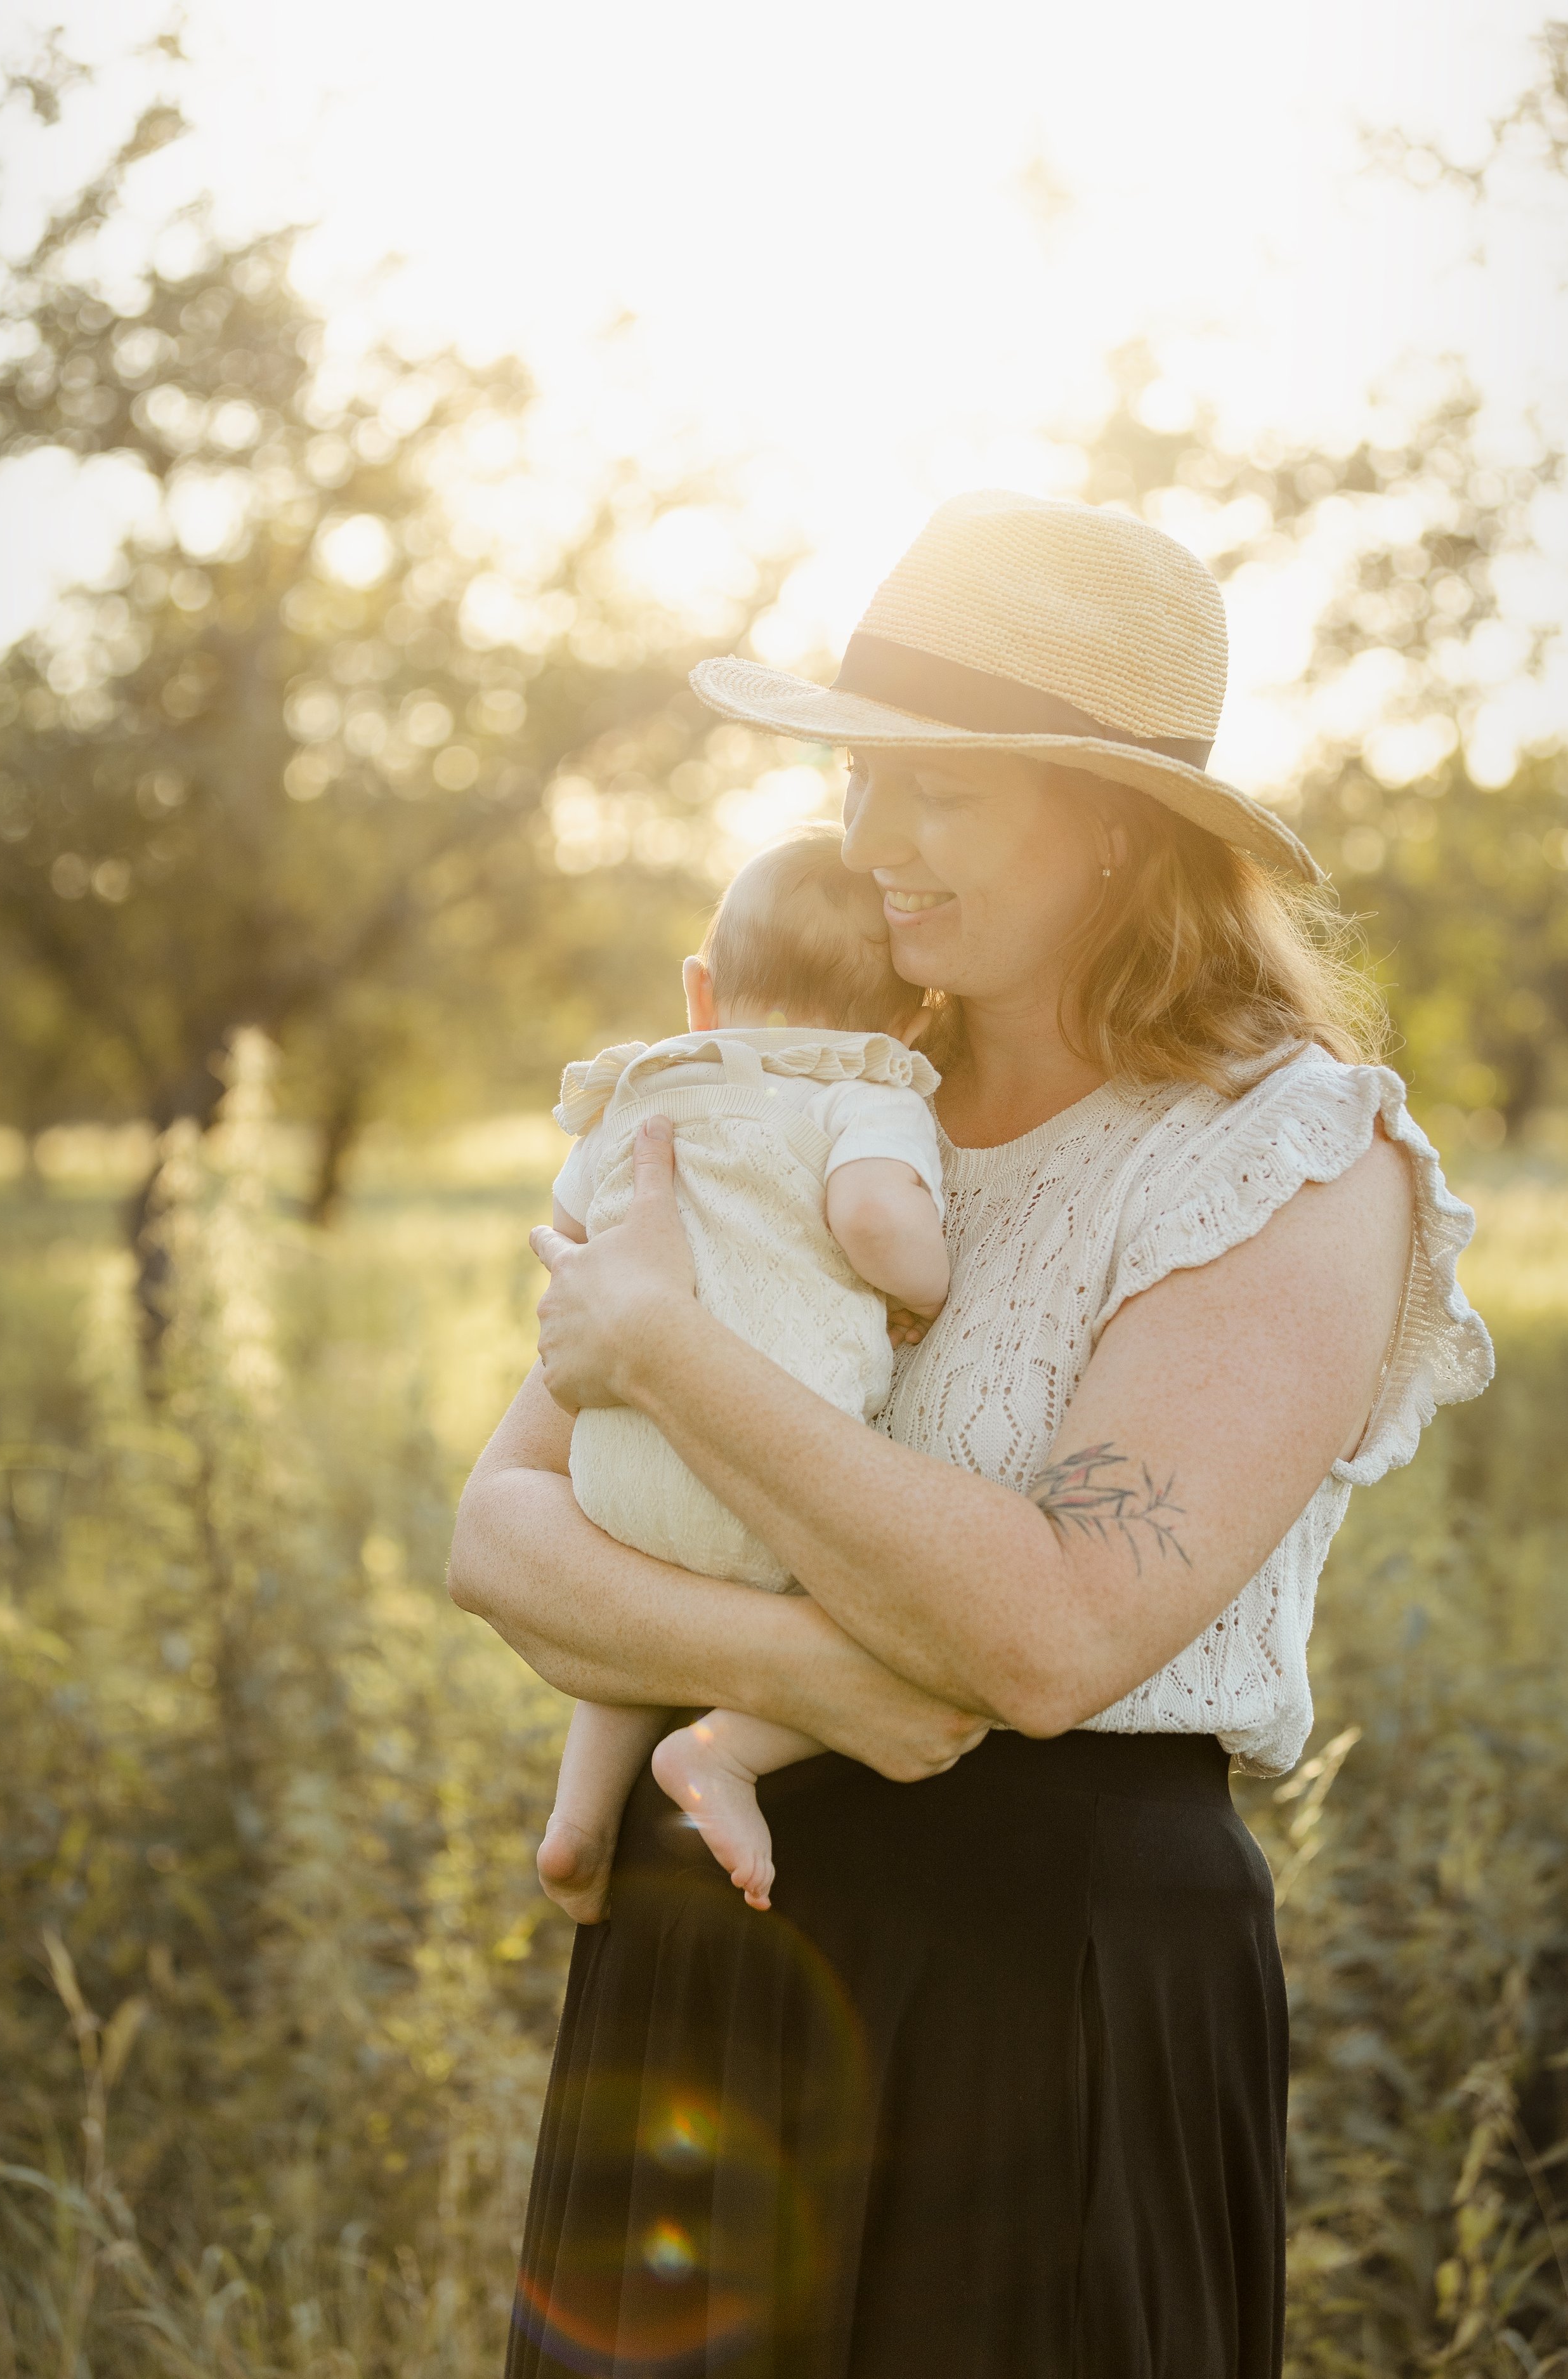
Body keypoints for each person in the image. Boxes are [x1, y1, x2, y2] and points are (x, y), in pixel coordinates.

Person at [449, 490, 1493, 2379]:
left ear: (1113, 827)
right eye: (858, 780)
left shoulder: (1280, 1157)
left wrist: (668, 1354)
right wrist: (801, 1678)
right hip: (703, 1956)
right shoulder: (807, 1092)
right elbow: (498, 1533)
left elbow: (1050, 1635)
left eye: (937, 787)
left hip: (1037, 1992)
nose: (870, 838)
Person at [539, 826, 949, 1919]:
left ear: (701, 991)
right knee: (900, 1627)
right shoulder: (865, 1088)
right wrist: (931, 1286)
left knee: (646, 1614)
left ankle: (578, 1822)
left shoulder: (641, 1089)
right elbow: (876, 1218)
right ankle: (722, 1754)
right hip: (774, 1480)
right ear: (912, 1022)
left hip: (621, 1475)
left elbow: (568, 1234)